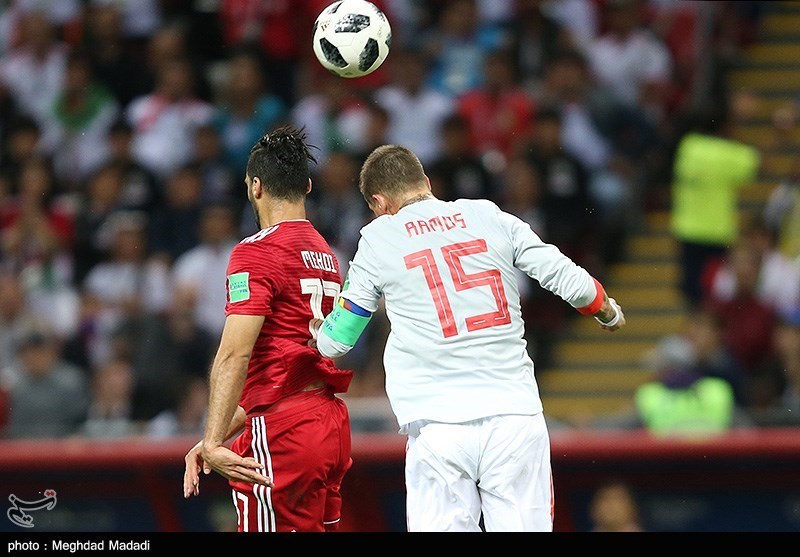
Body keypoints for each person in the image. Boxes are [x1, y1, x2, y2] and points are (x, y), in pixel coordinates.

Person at [316, 145, 625, 532]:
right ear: (426, 183)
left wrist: (319, 333)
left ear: (378, 202)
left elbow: (339, 340)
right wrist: (605, 310)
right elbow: (563, 275)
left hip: (437, 423)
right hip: (513, 412)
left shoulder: (380, 236)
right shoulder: (487, 214)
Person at [182, 126, 354, 532]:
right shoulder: (326, 253)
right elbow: (287, 371)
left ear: (255, 186)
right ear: (308, 186)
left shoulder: (255, 252)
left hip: (283, 436)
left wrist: (211, 441)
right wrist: (217, 433)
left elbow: (234, 354)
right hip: (328, 424)